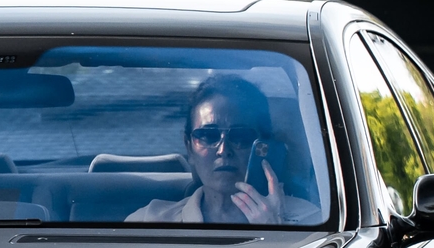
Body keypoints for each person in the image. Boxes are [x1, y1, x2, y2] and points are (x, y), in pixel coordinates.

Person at [128, 76, 316, 224]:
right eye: (208, 136)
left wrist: (275, 232)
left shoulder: (312, 221)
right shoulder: (148, 221)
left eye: (241, 137)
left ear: (264, 148)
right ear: (189, 148)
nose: (223, 150)